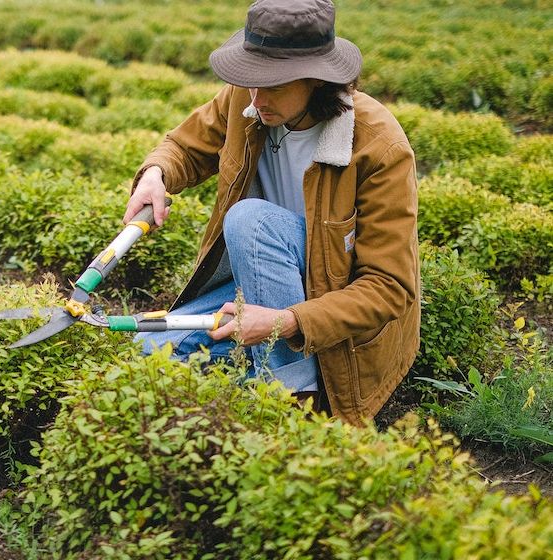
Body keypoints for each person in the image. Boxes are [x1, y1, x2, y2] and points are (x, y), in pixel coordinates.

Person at [123, 0, 419, 424]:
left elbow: (388, 287)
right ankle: (260, 368)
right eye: (251, 81)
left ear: (317, 80)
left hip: (332, 310)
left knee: (250, 219)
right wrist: (156, 173)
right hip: (261, 279)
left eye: (274, 85)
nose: (255, 98)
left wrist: (285, 320)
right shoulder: (249, 98)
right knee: (148, 351)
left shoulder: (379, 145)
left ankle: (294, 395)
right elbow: (185, 147)